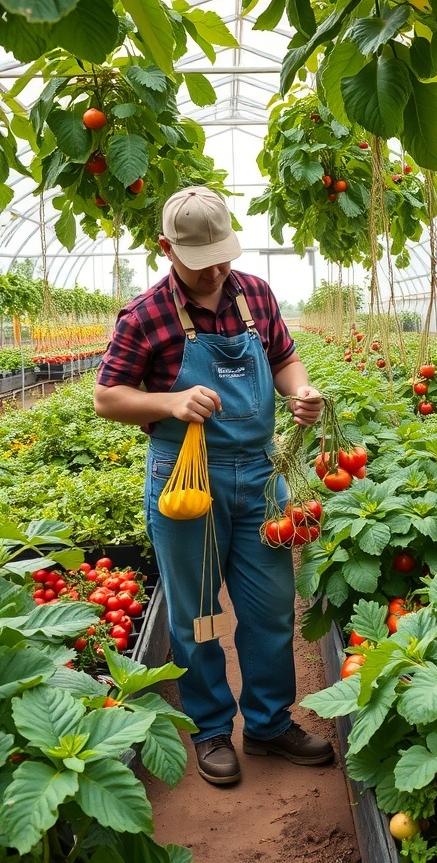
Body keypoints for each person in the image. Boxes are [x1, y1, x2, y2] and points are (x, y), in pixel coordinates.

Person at [94, 185, 334, 786]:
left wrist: (300, 392)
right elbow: (107, 396)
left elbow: (285, 358)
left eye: (224, 255)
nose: (217, 271)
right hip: (184, 480)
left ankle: (270, 723)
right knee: (198, 613)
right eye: (202, 262)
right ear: (166, 250)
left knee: (271, 607)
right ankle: (208, 729)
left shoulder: (255, 294)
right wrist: (172, 401)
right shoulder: (144, 314)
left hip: (260, 473)